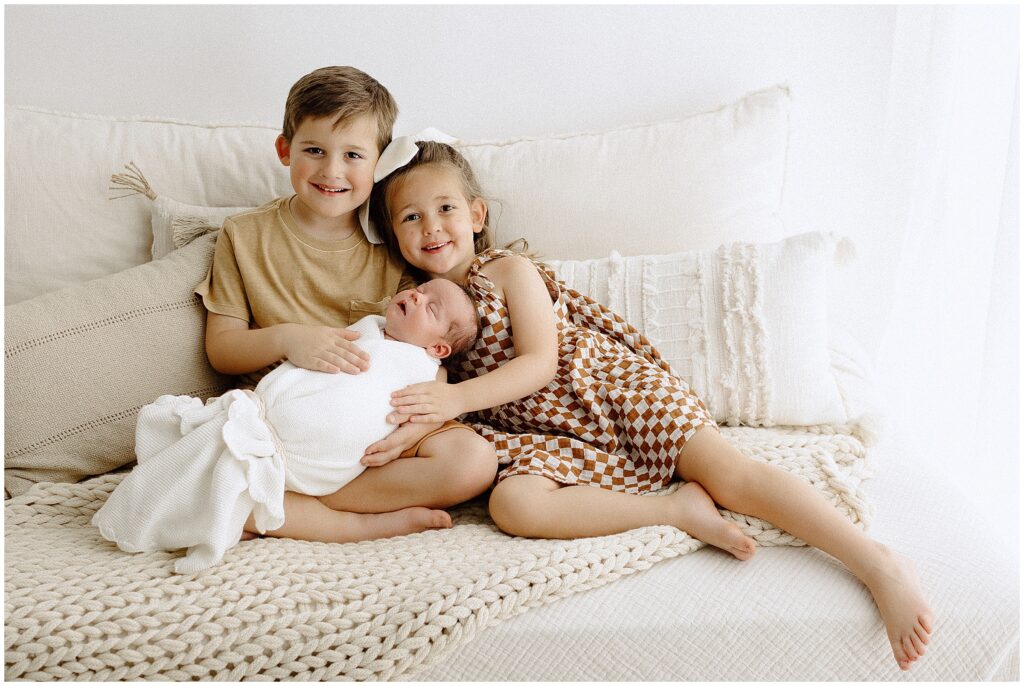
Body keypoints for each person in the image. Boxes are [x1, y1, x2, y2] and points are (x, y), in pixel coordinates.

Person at [367, 139, 933, 672]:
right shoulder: (411, 308)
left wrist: (454, 398)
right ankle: (675, 509)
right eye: (410, 216)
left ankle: (877, 562)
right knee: (514, 507)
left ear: (477, 215)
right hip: (543, 434)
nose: (432, 226)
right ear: (394, 235)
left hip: (609, 392)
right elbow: (409, 390)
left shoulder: (505, 273)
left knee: (730, 474)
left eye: (444, 208)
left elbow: (540, 362)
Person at [192, 67, 497, 545]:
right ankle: (350, 521)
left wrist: (424, 418)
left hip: (376, 427)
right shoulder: (245, 235)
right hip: (288, 431)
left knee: (473, 462)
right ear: (284, 150)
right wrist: (288, 338)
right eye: (314, 150)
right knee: (207, 479)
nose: (332, 171)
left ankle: (299, 506)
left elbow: (427, 353)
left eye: (353, 155)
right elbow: (222, 350)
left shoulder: (396, 237)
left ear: (377, 165)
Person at [93, 278, 481, 573]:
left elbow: (438, 387)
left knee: (239, 488)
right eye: (421, 289)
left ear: (439, 348)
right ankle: (236, 510)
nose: (416, 296)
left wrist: (415, 425)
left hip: (320, 464)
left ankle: (366, 527)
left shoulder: (426, 367)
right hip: (262, 420)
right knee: (194, 468)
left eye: (431, 308)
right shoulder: (370, 325)